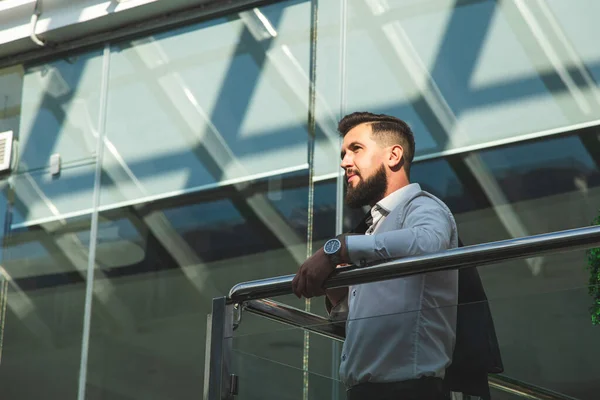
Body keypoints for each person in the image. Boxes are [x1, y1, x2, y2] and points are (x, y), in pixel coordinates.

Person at [292, 112, 458, 400]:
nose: (345, 162)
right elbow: (370, 324)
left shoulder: (422, 207)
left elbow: (430, 243)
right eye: (343, 153)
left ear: (394, 155)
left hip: (410, 391)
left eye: (356, 149)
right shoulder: (373, 231)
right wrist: (338, 297)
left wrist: (341, 247)